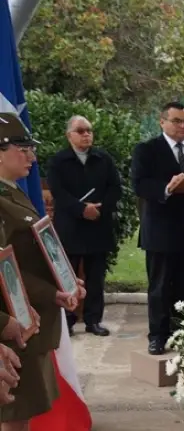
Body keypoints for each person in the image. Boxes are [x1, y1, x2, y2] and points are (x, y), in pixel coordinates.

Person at [0, 112, 81, 431]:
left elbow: (33, 259)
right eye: (21, 148)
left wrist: (63, 287)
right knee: (13, 419)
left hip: (29, 319)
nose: (30, 155)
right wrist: (48, 297)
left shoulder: (13, 194)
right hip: (14, 325)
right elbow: (2, 271)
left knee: (22, 417)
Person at [130, 102, 184, 355]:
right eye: (177, 121)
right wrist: (167, 187)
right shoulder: (147, 150)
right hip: (161, 232)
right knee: (160, 287)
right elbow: (140, 184)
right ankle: (158, 335)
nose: (183, 126)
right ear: (162, 121)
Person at [44, 115, 121, 336]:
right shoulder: (59, 161)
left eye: (89, 130)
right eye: (81, 130)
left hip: (98, 224)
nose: (86, 134)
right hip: (71, 226)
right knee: (68, 275)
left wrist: (99, 208)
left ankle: (93, 320)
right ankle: (67, 320)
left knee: (96, 277)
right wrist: (81, 209)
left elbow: (115, 188)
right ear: (69, 135)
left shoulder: (103, 158)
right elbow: (58, 191)